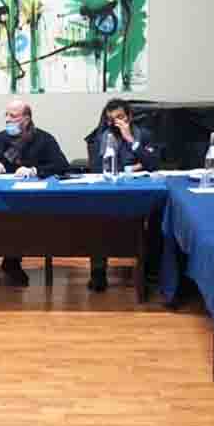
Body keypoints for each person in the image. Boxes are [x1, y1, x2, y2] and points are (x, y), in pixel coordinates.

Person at [0, 99, 70, 286]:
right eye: (6, 115)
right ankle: (10, 260)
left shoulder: (43, 139)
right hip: (1, 202)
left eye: (13, 116)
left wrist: (34, 171)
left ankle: (12, 261)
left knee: (21, 216)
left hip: (34, 202)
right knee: (4, 216)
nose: (8, 119)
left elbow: (62, 165)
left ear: (27, 119)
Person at [81, 98, 157, 291]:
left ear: (129, 116)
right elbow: (98, 168)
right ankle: (98, 272)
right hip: (107, 193)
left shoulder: (144, 135)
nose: (116, 122)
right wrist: (133, 167)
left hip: (137, 193)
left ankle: (149, 273)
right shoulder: (100, 137)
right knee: (96, 222)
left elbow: (153, 164)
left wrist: (131, 140)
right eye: (111, 119)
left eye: (120, 117)